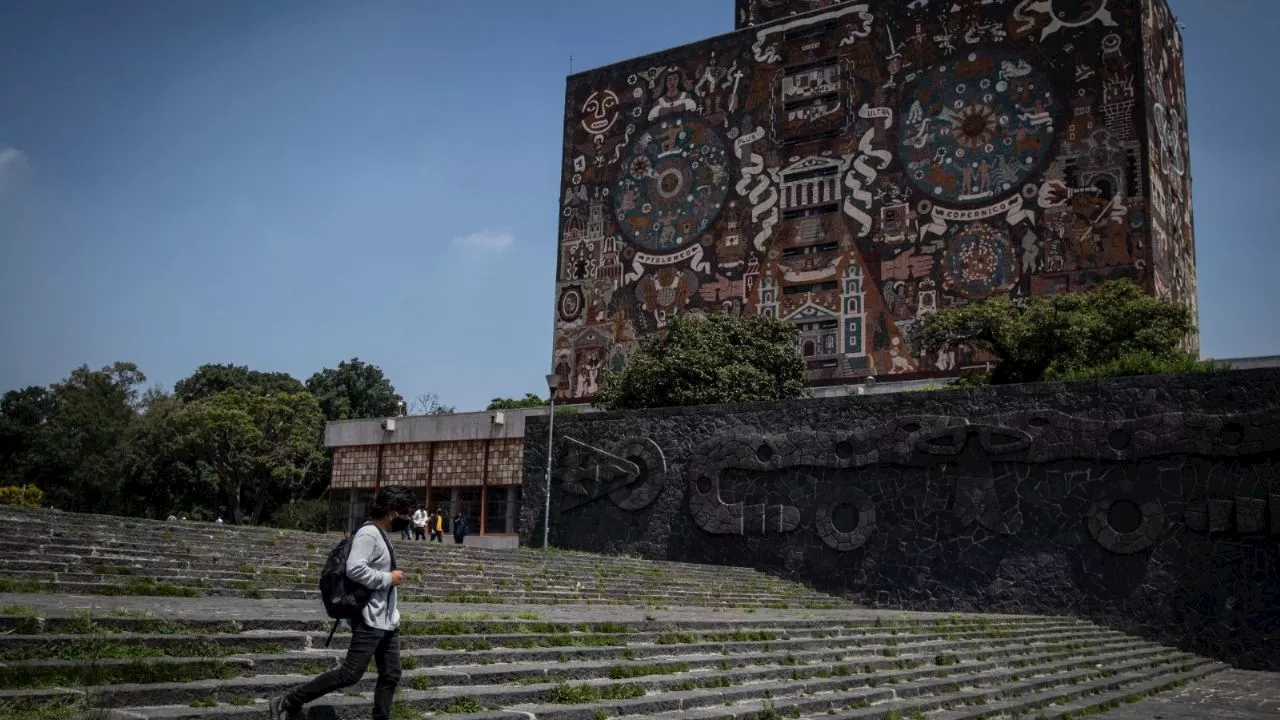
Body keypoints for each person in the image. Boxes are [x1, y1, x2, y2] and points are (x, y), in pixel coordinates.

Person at [270, 484, 415, 720]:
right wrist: (389, 578)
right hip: (369, 618)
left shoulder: (381, 534)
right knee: (350, 674)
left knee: (391, 674)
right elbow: (355, 569)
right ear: (392, 511)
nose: (408, 518)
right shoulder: (369, 534)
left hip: (386, 620)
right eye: (406, 512)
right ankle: (288, 701)